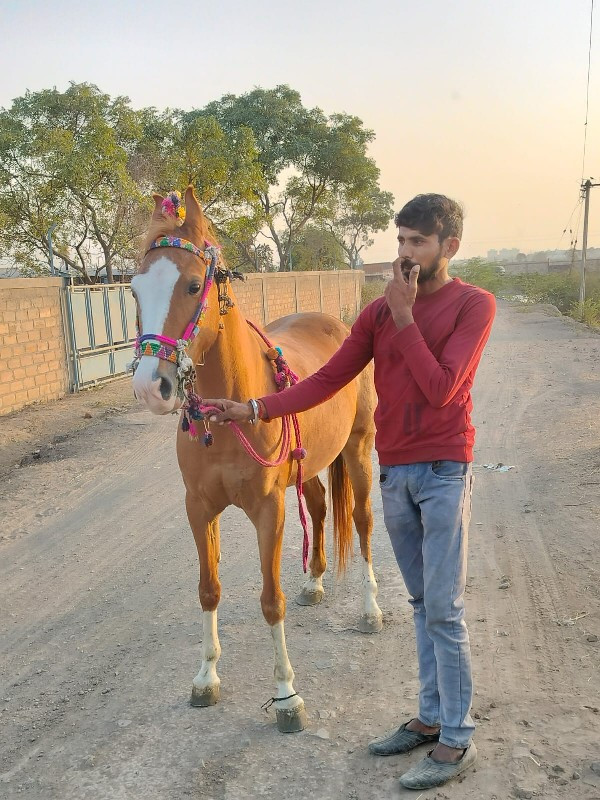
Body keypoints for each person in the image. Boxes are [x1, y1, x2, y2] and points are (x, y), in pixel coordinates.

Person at [205, 194, 496, 790]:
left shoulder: (473, 306)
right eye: (400, 242)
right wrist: (254, 406)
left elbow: (442, 389)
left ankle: (456, 737)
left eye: (418, 243)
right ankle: (429, 717)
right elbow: (329, 379)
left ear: (450, 247)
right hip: (395, 473)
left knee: (444, 607)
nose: (405, 254)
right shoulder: (377, 314)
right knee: (420, 604)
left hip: (444, 469)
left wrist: (406, 315)